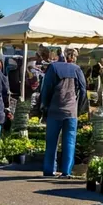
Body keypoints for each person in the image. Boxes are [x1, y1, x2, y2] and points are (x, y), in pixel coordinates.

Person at [39, 48, 87, 178]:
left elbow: (46, 89)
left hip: (55, 110)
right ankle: (66, 171)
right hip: (71, 112)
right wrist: (79, 108)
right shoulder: (77, 69)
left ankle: (49, 170)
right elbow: (83, 91)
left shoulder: (53, 68)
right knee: (69, 142)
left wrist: (45, 105)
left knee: (52, 142)